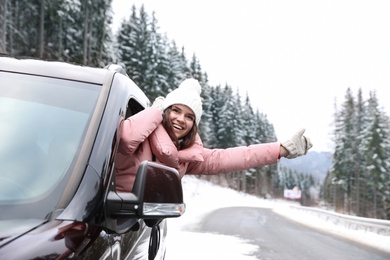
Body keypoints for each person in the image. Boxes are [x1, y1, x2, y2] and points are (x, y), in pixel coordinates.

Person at [115, 78, 313, 192]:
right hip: (99, 217)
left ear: (194, 125)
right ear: (165, 111)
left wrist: (280, 149)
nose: (181, 119)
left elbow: (235, 157)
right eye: (175, 110)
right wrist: (155, 111)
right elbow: (125, 139)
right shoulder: (142, 136)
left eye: (189, 116)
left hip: (135, 226)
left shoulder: (187, 158)